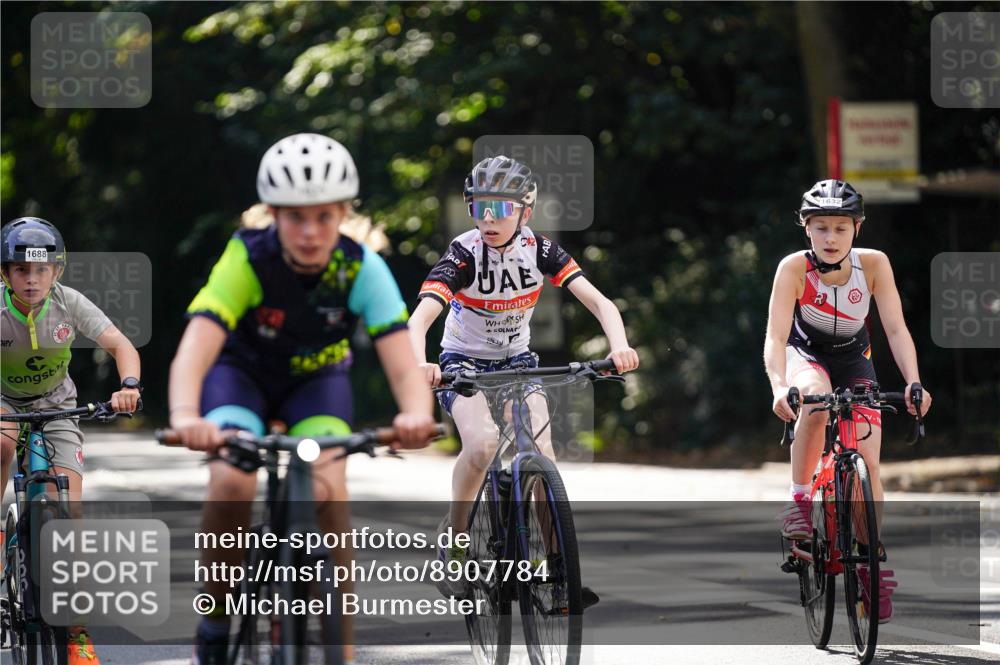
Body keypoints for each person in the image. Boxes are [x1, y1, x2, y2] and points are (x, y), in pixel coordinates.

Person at [167, 133, 437, 665]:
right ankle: (215, 623)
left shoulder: (361, 266)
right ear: (273, 215)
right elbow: (196, 349)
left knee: (330, 490)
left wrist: (416, 414)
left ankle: (342, 651)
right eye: (295, 218)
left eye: (324, 217)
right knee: (231, 480)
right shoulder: (248, 257)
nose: (311, 232)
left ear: (343, 214)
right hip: (240, 377)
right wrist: (185, 416)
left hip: (316, 384)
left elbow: (401, 359)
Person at [408, 155, 639, 599]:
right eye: (479, 208)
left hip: (518, 361)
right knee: (482, 445)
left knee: (541, 451)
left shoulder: (540, 251)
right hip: (463, 363)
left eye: (500, 208)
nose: (488, 220)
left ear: (525, 213)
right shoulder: (464, 253)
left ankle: (557, 565)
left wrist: (619, 346)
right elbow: (419, 321)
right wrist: (422, 364)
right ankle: (455, 542)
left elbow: (601, 303)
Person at [763, 179, 932, 623]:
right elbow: (776, 336)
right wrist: (779, 386)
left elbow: (895, 328)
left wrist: (914, 382)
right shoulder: (793, 268)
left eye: (841, 227)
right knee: (814, 401)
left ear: (857, 227)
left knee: (869, 465)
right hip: (806, 355)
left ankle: (871, 561)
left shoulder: (873, 264)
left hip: (856, 359)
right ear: (807, 229)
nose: (831, 237)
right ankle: (801, 501)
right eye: (821, 227)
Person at [1, 216, 142, 665]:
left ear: (56, 272)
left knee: (70, 512)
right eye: (21, 269)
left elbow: (120, 344)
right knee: (3, 442)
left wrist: (129, 386)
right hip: (4, 403)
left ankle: (77, 632)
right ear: (5, 273)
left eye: (41, 270)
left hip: (57, 405)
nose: (31, 279)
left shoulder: (68, 302)